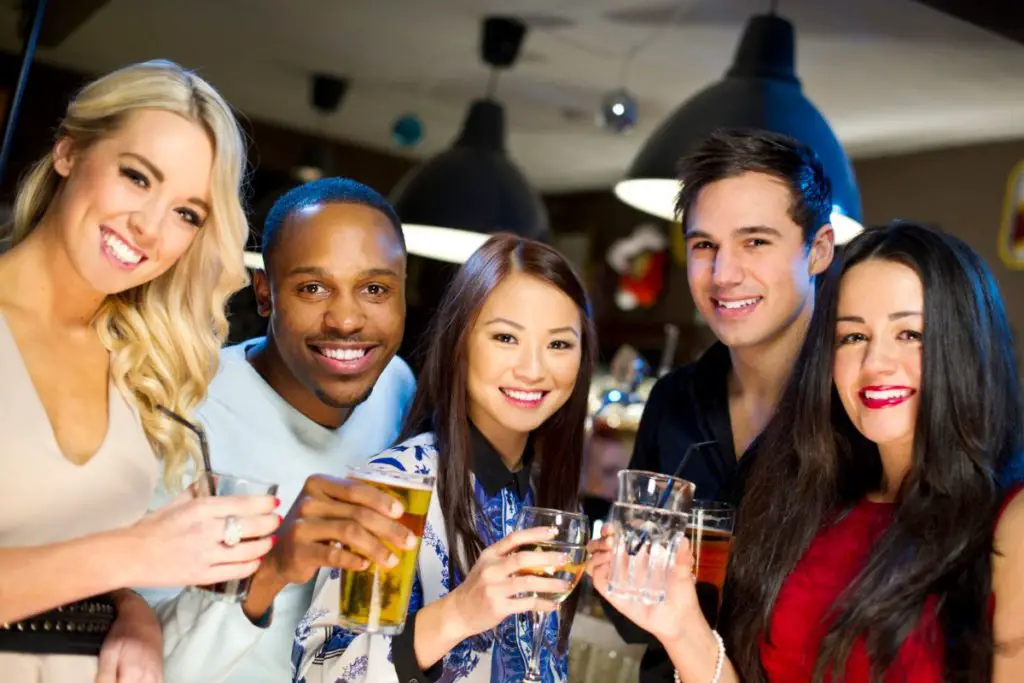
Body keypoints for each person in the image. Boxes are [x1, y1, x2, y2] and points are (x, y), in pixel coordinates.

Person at [589, 222, 1024, 682]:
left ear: (965, 346)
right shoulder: (809, 505)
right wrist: (681, 628)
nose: (875, 363)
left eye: (910, 334)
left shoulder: (1008, 523)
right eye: (852, 337)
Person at [0, 60, 279, 682]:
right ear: (68, 151)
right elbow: (104, 553)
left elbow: (58, 548)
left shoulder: (136, 364)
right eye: (136, 177)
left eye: (187, 213)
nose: (150, 227)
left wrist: (131, 612)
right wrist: (136, 555)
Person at [141, 177, 417, 683]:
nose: (347, 320)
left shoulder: (398, 386)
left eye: (375, 288)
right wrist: (271, 568)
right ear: (265, 294)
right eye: (313, 288)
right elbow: (143, 662)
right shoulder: (180, 416)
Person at [293, 234, 598, 683]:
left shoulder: (548, 498)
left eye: (558, 345)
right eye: (506, 337)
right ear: (461, 341)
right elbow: (323, 673)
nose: (533, 369)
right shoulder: (395, 487)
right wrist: (457, 614)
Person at [601, 128, 835, 681]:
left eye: (755, 241)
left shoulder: (858, 410)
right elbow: (636, 622)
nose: (723, 274)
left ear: (819, 249)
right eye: (704, 245)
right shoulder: (674, 400)